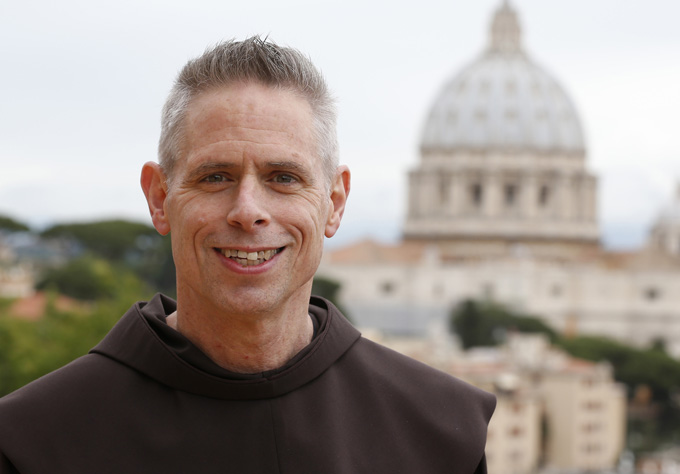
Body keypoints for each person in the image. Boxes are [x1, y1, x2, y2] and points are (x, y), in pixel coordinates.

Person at [0, 37, 495, 473]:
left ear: (334, 204)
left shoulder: (443, 431)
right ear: (158, 198)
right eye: (215, 176)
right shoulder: (29, 441)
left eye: (283, 177)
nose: (248, 211)